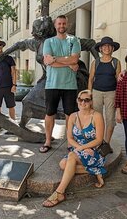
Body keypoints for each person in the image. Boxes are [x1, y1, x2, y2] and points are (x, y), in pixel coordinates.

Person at [42, 90, 106, 207]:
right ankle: (97, 170)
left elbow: (99, 140)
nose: (83, 102)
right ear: (77, 101)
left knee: (70, 157)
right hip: (79, 149)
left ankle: (59, 192)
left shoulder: (96, 116)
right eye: (80, 99)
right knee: (63, 164)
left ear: (91, 102)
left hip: (92, 151)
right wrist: (80, 148)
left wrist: (84, 148)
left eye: (86, 100)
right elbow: (70, 138)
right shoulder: (73, 116)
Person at [39, 15, 81, 153]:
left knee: (70, 114)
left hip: (69, 85)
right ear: (55, 25)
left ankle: (70, 142)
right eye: (59, 23)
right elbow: (47, 61)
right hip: (52, 84)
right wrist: (68, 63)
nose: (61, 26)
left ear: (66, 24)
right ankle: (48, 141)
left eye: (64, 23)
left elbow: (75, 59)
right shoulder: (48, 42)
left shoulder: (74, 40)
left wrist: (55, 59)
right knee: (50, 113)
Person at [88, 36, 121, 148]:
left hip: (111, 93)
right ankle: (98, 141)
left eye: (109, 46)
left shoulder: (116, 62)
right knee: (97, 118)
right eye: (104, 46)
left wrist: (119, 97)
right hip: (96, 92)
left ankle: (106, 144)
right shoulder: (95, 62)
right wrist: (89, 93)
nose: (106, 47)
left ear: (112, 48)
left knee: (110, 119)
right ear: (100, 49)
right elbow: (91, 78)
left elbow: (119, 80)